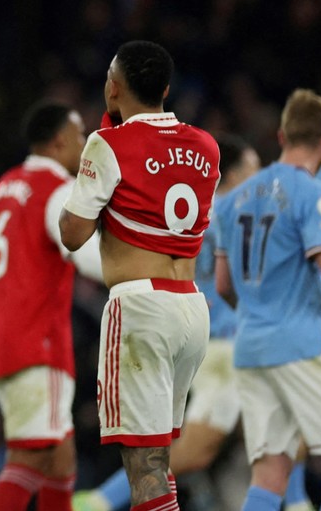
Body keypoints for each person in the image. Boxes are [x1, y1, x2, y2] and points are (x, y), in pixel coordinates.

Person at [71, 134, 279, 511]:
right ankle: (98, 502)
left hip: (180, 335)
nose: (261, 176)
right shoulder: (241, 215)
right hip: (222, 347)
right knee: (203, 447)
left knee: (258, 448)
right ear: (231, 176)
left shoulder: (180, 212)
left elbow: (102, 255)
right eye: (253, 168)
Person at [58, 40, 220, 511]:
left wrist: (97, 163)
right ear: (166, 89)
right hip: (191, 307)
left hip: (140, 308)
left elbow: (71, 235)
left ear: (113, 88)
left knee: (144, 466)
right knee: (161, 456)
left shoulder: (108, 144)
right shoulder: (206, 145)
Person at [214, 89, 321, 511]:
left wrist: (258, 314)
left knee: (270, 474)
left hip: (251, 348)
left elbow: (222, 285)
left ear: (281, 134)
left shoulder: (231, 201)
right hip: (303, 345)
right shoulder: (314, 196)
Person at [0, 102, 103, 511]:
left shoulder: (3, 187)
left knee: (61, 460)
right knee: (32, 457)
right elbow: (89, 259)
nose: (85, 144)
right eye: (80, 136)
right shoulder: (58, 189)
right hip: (38, 347)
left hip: (0, 347)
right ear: (59, 141)